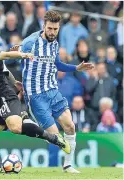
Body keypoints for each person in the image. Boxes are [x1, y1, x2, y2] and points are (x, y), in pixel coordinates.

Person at [0, 29, 70, 173]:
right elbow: (5, 70)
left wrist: (22, 54)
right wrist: (15, 83)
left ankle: (55, 139)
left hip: (6, 98)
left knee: (15, 128)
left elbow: (5, 55)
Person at [16, 10, 94, 173]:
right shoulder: (30, 43)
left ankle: (68, 165)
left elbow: (57, 64)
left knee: (70, 127)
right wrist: (19, 84)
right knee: (55, 137)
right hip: (36, 95)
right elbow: (17, 61)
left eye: (55, 29)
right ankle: (28, 123)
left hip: (52, 91)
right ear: (44, 26)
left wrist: (76, 68)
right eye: (50, 28)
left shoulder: (55, 44)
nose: (52, 32)